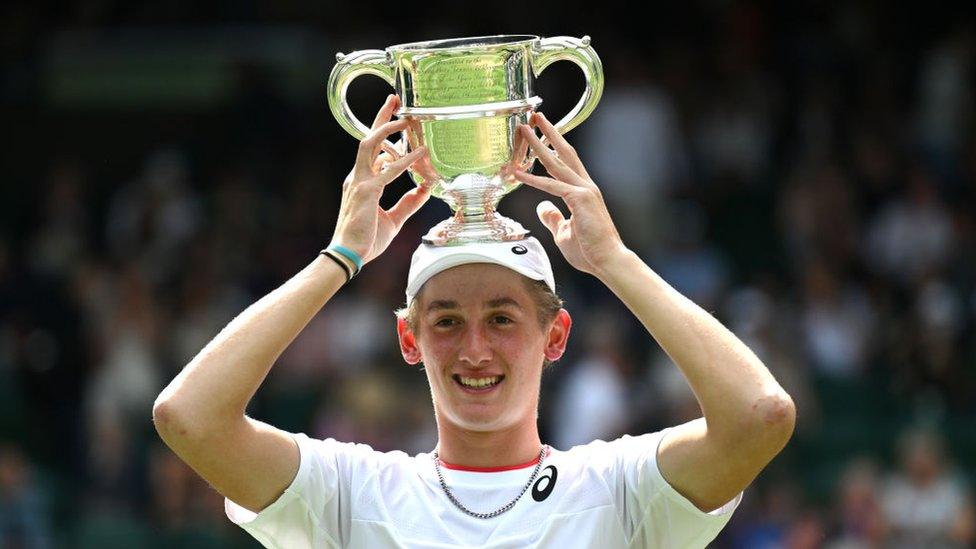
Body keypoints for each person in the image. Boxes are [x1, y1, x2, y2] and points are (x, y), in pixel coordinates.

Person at [152, 94, 796, 548]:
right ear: (410, 339)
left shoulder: (619, 488)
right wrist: (339, 258)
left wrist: (616, 262)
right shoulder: (351, 493)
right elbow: (189, 418)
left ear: (556, 336)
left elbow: (759, 417)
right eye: (447, 321)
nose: (476, 349)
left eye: (502, 317)